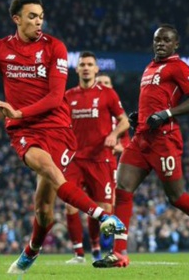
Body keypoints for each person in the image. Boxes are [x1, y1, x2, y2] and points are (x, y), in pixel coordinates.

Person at [0, 0, 125, 274]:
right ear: (16, 19)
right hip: (24, 131)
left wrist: (20, 111)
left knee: (44, 210)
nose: (38, 22)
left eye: (41, 16)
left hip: (58, 128)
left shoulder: (55, 47)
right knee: (50, 171)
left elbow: (56, 97)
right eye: (32, 16)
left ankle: (32, 249)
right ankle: (103, 216)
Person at [92, 24, 189, 268]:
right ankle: (119, 253)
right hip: (141, 138)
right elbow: (153, 102)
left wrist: (167, 113)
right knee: (123, 189)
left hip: (164, 140)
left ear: (175, 44)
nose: (160, 43)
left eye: (166, 40)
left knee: (176, 197)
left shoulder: (178, 67)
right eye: (157, 39)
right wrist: (140, 116)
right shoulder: (150, 67)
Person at [64, 52, 129, 264]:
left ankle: (101, 249)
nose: (85, 67)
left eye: (89, 64)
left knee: (103, 210)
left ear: (96, 68)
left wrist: (113, 135)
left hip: (100, 160)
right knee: (70, 205)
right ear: (76, 69)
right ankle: (78, 254)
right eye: (82, 64)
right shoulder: (68, 96)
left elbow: (124, 121)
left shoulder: (107, 94)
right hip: (75, 159)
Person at [95, 73, 131, 156]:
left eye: (106, 83)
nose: (103, 86)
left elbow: (126, 141)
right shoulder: (85, 109)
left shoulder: (119, 116)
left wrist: (121, 147)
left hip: (109, 162)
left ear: (111, 86)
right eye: (99, 83)